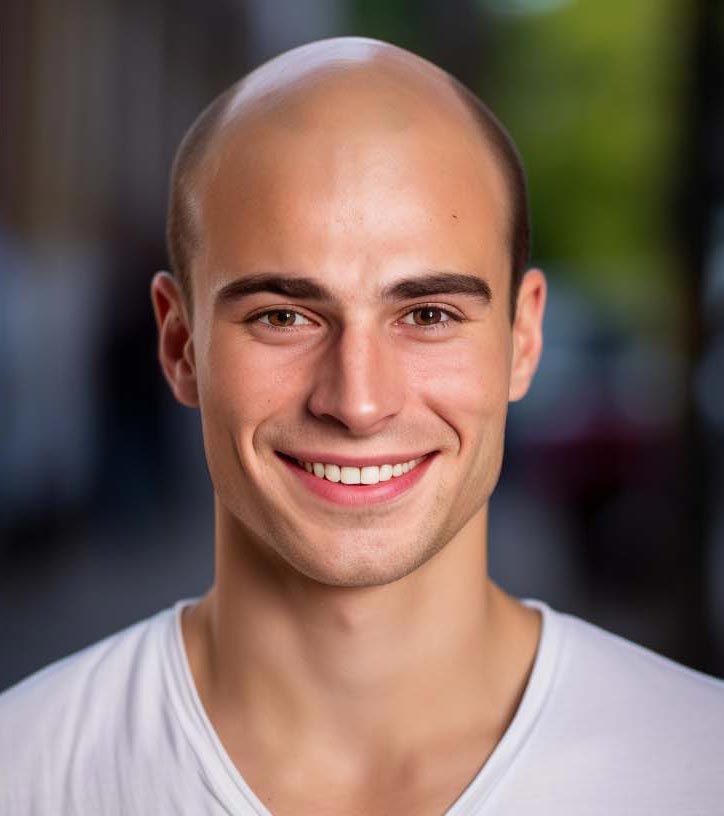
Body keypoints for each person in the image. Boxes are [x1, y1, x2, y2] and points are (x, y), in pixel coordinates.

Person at [1, 36, 722, 816]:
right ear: (180, 345)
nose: (358, 400)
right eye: (283, 316)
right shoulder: (24, 772)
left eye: (428, 314)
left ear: (523, 340)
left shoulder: (699, 765)